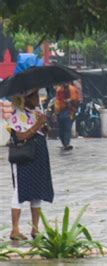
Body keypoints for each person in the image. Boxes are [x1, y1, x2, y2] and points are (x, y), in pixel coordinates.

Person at [6, 90, 54, 240]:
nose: (37, 99)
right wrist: (37, 124)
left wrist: (44, 126)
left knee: (37, 191)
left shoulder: (37, 112)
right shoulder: (17, 115)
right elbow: (21, 136)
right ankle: (15, 229)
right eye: (33, 96)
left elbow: (41, 132)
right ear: (25, 99)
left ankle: (35, 228)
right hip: (24, 157)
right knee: (19, 191)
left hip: (39, 156)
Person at [54, 82, 80, 150]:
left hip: (69, 111)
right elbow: (57, 101)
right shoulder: (59, 90)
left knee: (67, 128)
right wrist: (56, 112)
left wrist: (71, 103)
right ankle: (64, 142)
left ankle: (67, 144)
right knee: (61, 129)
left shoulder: (73, 89)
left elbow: (77, 100)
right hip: (60, 111)